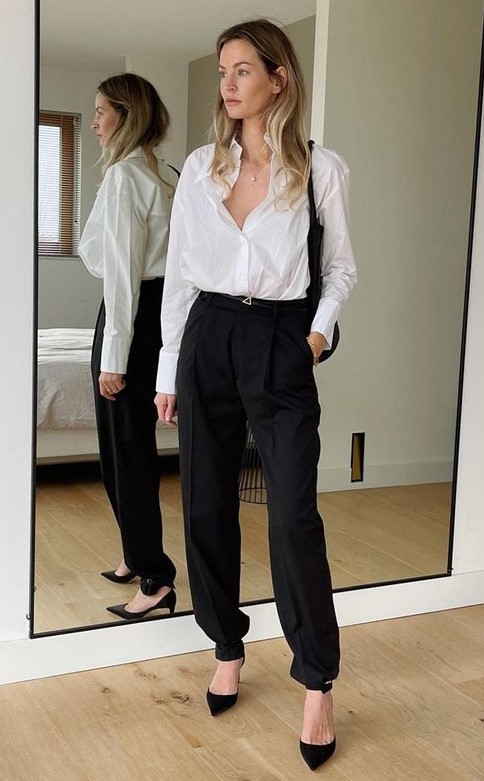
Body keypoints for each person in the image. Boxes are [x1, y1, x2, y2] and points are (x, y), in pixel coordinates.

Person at [155, 19, 356, 771]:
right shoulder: (202, 168)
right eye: (223, 71)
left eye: (243, 69)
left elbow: (340, 268)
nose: (229, 84)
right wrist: (169, 370)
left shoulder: (321, 169)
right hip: (207, 334)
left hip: (279, 338)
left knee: (293, 515)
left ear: (279, 77)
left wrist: (316, 334)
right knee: (206, 503)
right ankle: (227, 645)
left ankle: (317, 680)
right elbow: (180, 272)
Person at [79, 73, 177, 620]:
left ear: (126, 113)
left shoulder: (124, 178)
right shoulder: (165, 173)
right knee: (131, 449)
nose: (94, 122)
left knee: (124, 453)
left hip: (132, 318)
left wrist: (113, 358)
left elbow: (121, 275)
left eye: (101, 111)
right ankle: (136, 555)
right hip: (158, 316)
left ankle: (155, 576)